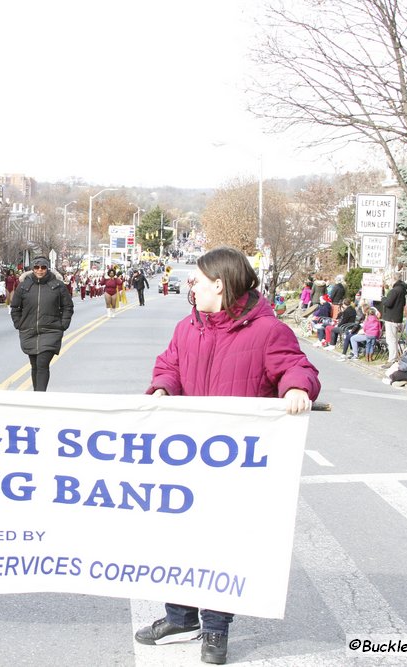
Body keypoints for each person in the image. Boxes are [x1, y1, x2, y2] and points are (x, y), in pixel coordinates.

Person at [135, 246, 319, 665]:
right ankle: (179, 617)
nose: (191, 286)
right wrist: (163, 386)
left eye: (197, 280)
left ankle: (216, 629)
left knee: (221, 543)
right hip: (186, 457)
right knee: (180, 540)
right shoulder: (187, 328)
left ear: (219, 284)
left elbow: (298, 367)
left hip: (234, 463)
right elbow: (169, 366)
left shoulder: (268, 331)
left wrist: (294, 388)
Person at [10, 256, 74, 392]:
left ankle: (40, 396)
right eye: (37, 267)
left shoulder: (57, 285)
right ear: (33, 268)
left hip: (51, 331)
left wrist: (63, 325)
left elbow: (67, 306)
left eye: (43, 267)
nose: (40, 270)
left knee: (42, 363)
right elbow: (15, 307)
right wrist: (19, 324)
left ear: (47, 268)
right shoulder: (24, 286)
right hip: (29, 331)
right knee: (34, 365)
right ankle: (36, 395)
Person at [380, 274, 407, 366]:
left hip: (391, 318)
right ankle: (394, 357)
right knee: (394, 339)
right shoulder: (402, 290)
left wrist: (383, 298)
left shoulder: (394, 291)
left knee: (391, 340)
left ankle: (392, 359)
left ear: (394, 280)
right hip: (398, 317)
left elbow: (388, 303)